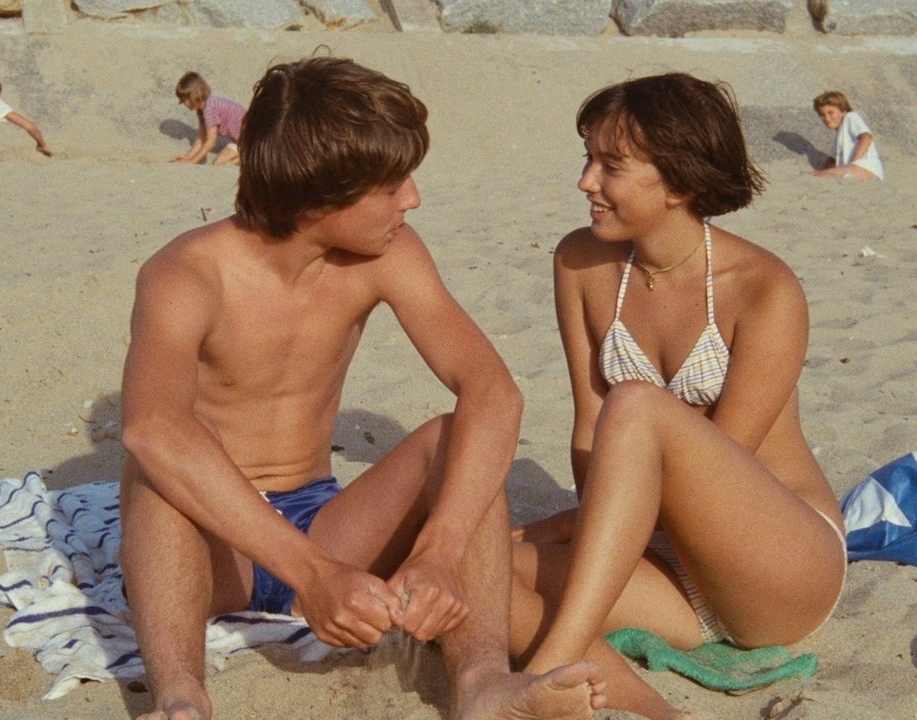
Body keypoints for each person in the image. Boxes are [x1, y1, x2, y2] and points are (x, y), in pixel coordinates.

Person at [119, 55, 606, 720]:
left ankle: (482, 684)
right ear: (318, 195)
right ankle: (182, 699)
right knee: (156, 470)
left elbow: (493, 391)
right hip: (214, 541)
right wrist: (313, 576)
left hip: (325, 522)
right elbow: (151, 428)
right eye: (390, 185)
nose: (413, 198)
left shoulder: (389, 255)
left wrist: (440, 550)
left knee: (459, 437)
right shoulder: (186, 275)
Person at [507, 73, 848, 720]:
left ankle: (554, 664)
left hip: (780, 566)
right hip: (666, 560)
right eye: (588, 159)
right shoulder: (579, 263)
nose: (586, 182)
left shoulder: (764, 290)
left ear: (681, 183)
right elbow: (587, 429)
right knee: (486, 570)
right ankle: (646, 705)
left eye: (610, 166)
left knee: (633, 404)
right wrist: (576, 534)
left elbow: (723, 460)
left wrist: (566, 529)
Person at [170, 71, 245, 166]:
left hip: (252, 140)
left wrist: (192, 161)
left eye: (186, 99)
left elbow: (211, 141)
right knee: (220, 162)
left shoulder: (210, 108)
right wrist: (188, 157)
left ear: (195, 95)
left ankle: (251, 158)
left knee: (221, 164)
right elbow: (202, 138)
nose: (185, 104)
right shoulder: (201, 110)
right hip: (240, 142)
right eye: (182, 100)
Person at [811, 90, 883, 181]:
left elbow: (866, 137)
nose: (827, 118)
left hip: (867, 168)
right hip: (857, 169)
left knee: (818, 176)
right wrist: (820, 170)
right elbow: (832, 160)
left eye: (830, 112)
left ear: (843, 110)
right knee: (816, 175)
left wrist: (853, 163)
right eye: (822, 115)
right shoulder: (840, 134)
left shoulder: (851, 117)